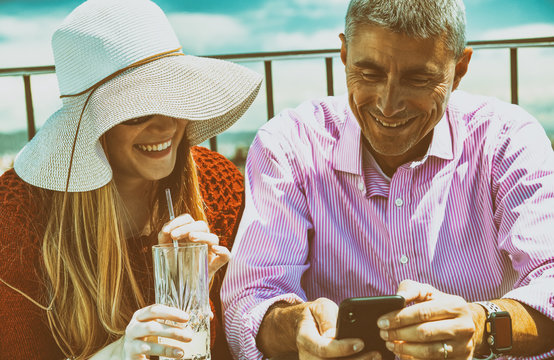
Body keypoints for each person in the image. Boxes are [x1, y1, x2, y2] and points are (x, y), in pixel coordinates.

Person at [221, 0, 554, 359]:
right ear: (345, 54)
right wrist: (294, 328)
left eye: (418, 79)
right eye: (369, 73)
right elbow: (249, 303)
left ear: (459, 69)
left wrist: (481, 325)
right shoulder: (288, 145)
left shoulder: (507, 139)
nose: (388, 104)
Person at [0, 0, 261, 359]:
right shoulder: (17, 215)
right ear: (92, 124)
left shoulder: (218, 184)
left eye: (177, 100)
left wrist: (189, 289)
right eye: (137, 112)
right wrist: (119, 353)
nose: (167, 125)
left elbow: (222, 348)